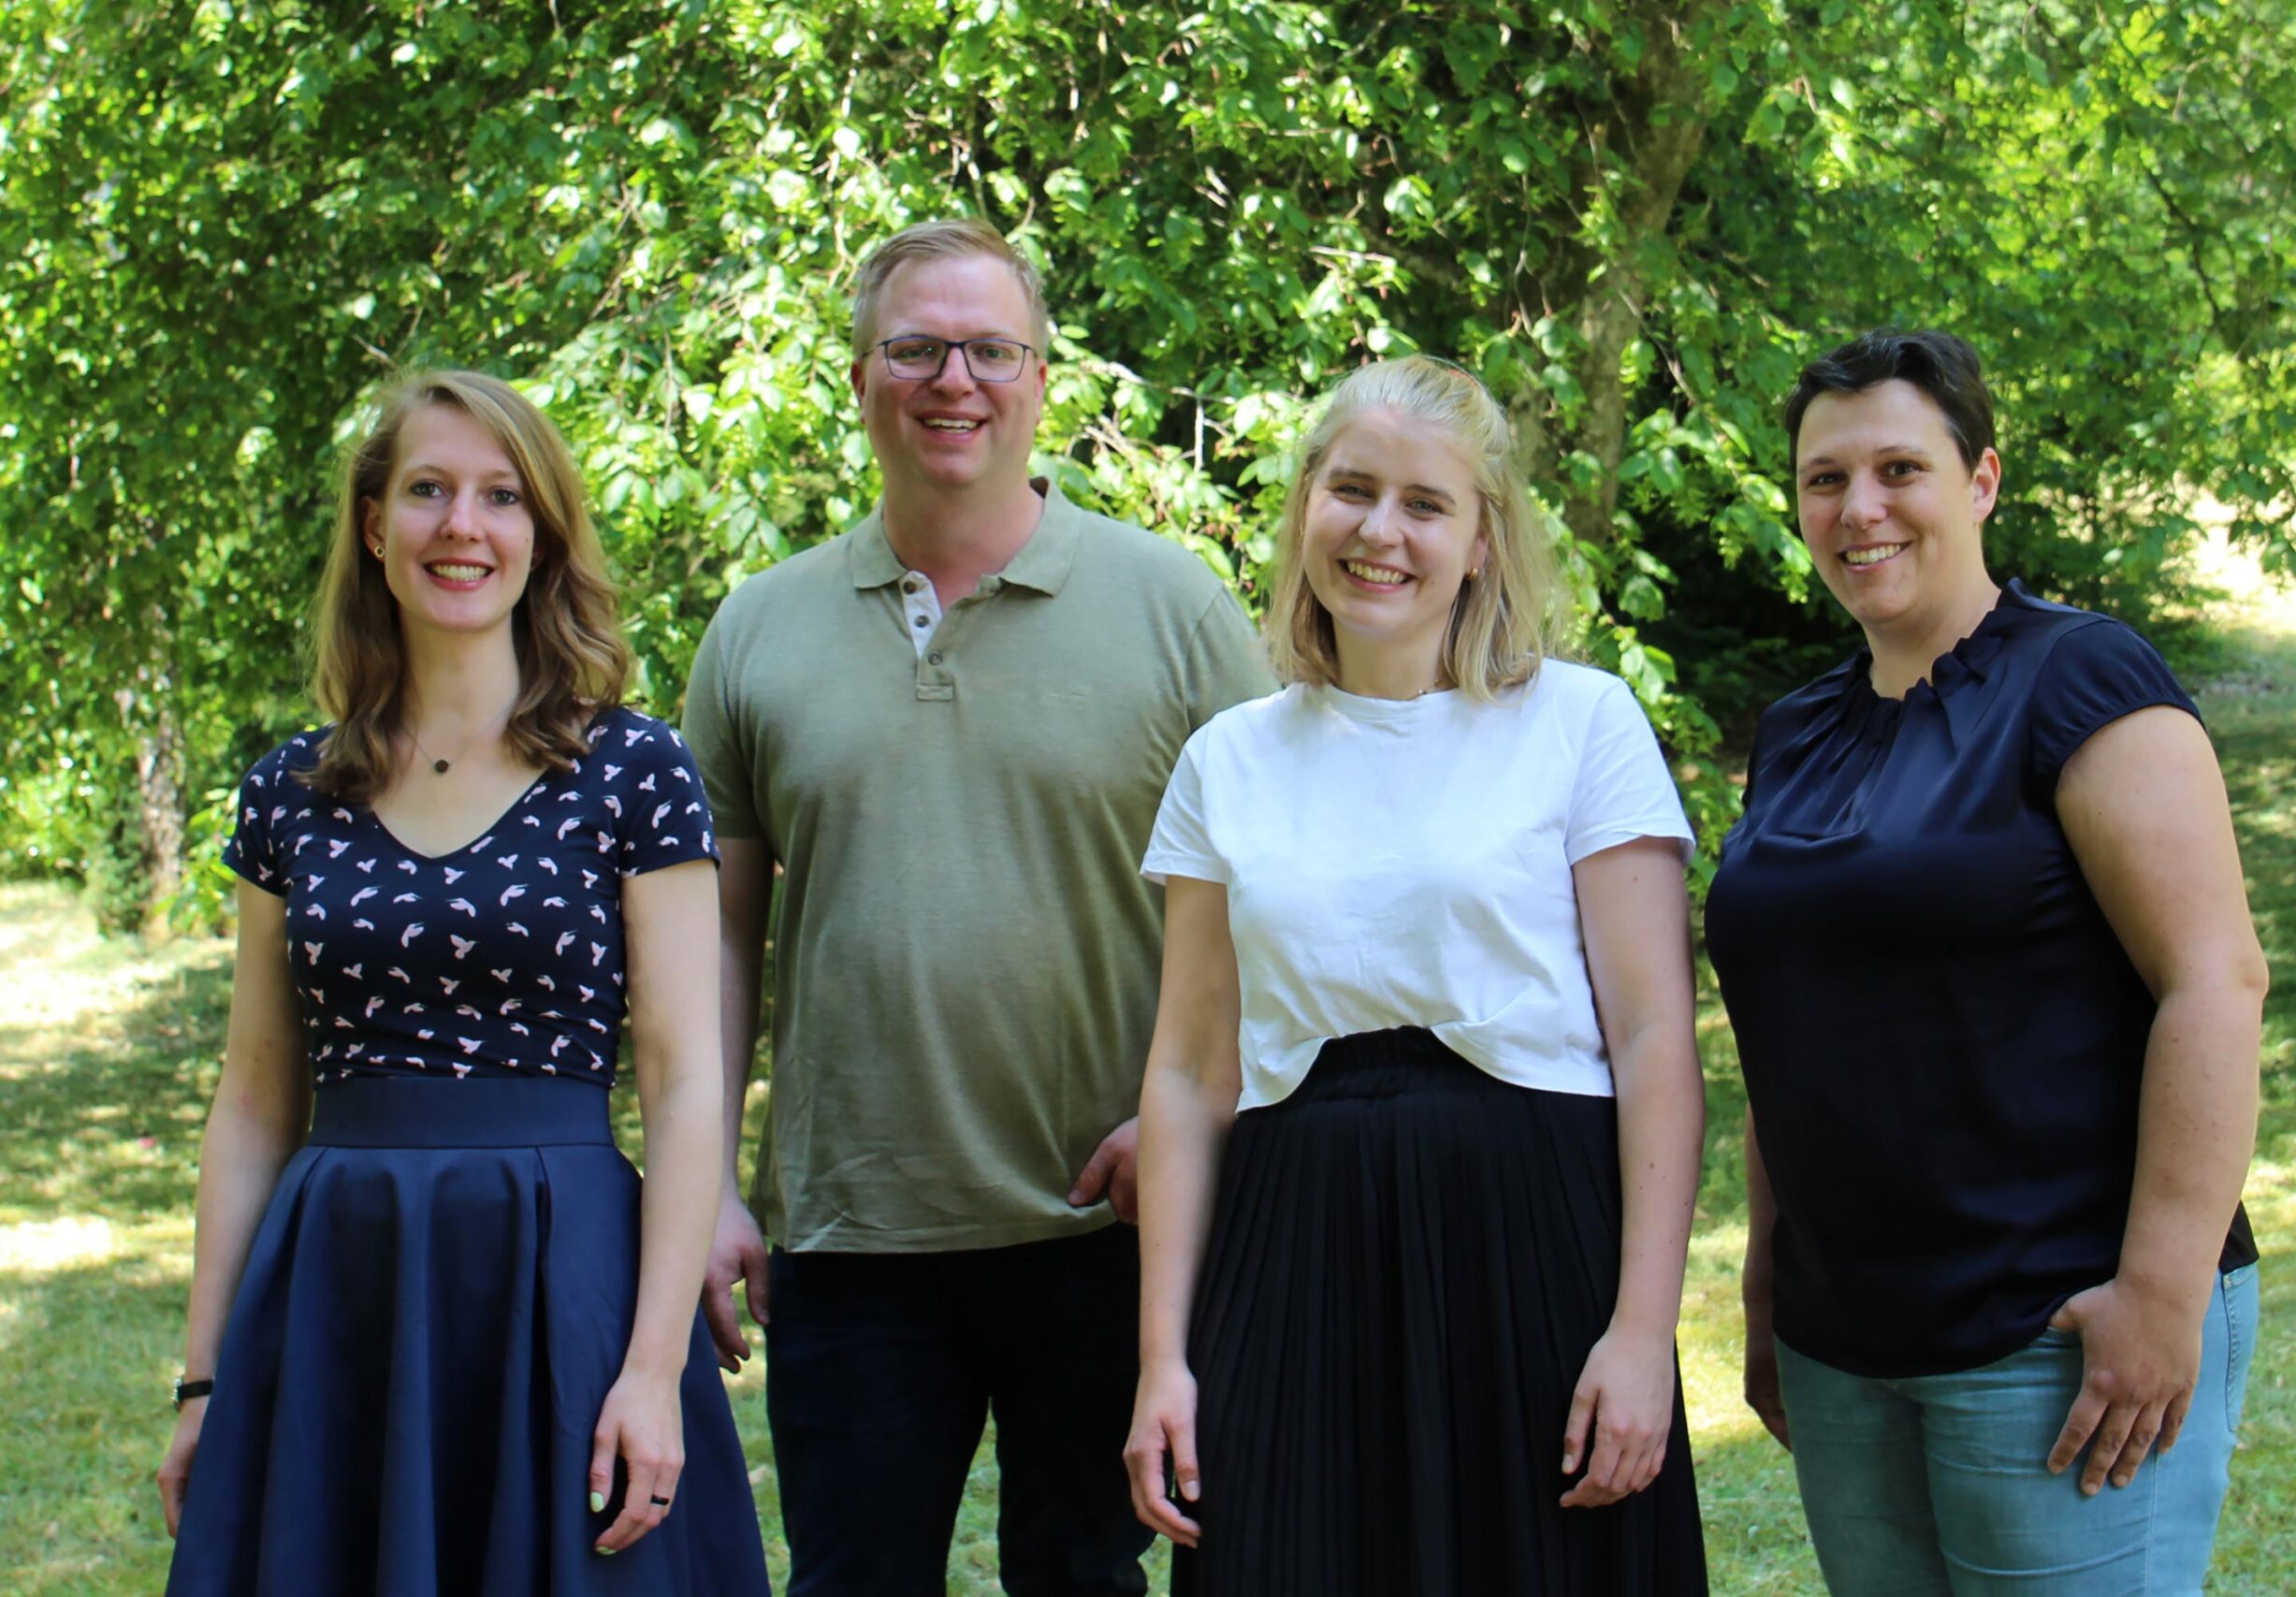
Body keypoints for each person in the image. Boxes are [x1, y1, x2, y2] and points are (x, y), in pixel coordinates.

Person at [682, 217, 1275, 1595]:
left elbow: (1277, 895)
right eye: (917, 348)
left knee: (1084, 1580)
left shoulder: (1172, 606)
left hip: (1108, 1223)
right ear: (858, 377)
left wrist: (1195, 1113)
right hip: (852, 1234)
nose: (956, 379)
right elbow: (713, 930)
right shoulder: (757, 629)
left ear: (1040, 379)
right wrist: (705, 1178)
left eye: (990, 349)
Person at [156, 370, 768, 1594]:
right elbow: (254, 1101)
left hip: (565, 1282)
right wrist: (206, 1377)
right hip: (342, 1284)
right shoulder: (291, 791)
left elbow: (688, 1077)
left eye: (500, 497)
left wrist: (652, 1366)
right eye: (428, 491)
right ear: (375, 526)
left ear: (539, 539)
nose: (462, 526)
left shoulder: (633, 771)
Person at [1124, 355, 1712, 1595]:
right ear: (1304, 508)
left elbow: (1657, 1039)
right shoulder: (1229, 761)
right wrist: (1163, 1358)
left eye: (1426, 504)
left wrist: (1643, 1333)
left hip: (1536, 1252)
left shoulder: (1581, 726)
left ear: (1485, 539)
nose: (1380, 532)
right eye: (1352, 491)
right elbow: (1185, 1074)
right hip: (1295, 1260)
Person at [1706, 328, 2265, 1593]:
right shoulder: (1800, 730)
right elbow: (1790, 1031)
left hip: (2058, 1336)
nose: (1859, 509)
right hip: (1844, 1345)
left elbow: (2215, 982)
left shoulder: (2085, 680)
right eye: (1823, 479)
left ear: (1982, 481)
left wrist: (2161, 1293)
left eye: (1899, 468)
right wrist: (1764, 1293)